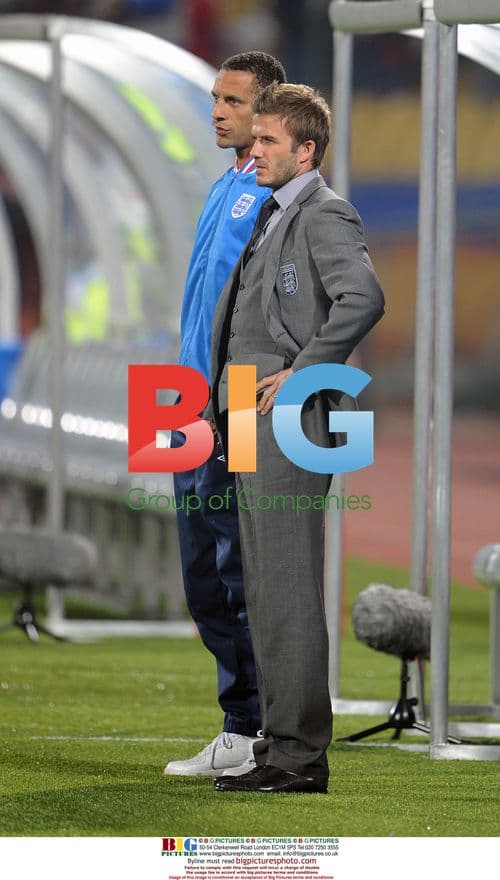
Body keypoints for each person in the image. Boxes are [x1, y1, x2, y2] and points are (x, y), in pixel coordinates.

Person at [205, 83, 385, 793]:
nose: (254, 151)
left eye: (268, 141)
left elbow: (364, 297)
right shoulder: (273, 208)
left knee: (286, 587)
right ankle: (277, 743)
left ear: (305, 151)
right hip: (249, 410)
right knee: (262, 586)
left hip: (289, 415)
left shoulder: (324, 211)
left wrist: (303, 371)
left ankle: (299, 756)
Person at [164, 52, 286, 778]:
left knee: (235, 562)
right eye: (216, 97)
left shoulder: (274, 195)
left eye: (234, 102)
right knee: (199, 571)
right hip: (183, 398)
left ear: (266, 111)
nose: (217, 111)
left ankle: (254, 727)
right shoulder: (224, 184)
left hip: (232, 400)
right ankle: (240, 724)